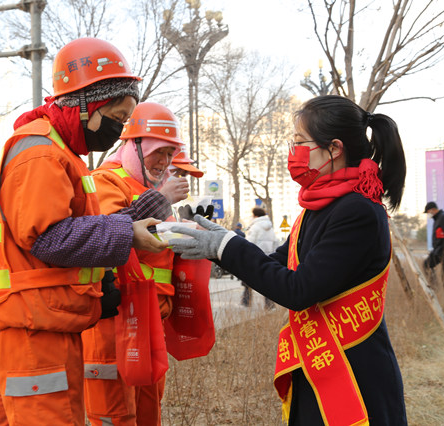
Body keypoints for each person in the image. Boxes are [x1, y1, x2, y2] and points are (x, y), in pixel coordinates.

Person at [169, 95, 408, 425]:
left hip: (352, 374)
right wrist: (218, 246)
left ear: (334, 148)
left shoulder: (357, 212)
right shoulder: (319, 208)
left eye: (299, 142)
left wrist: (225, 246)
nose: (292, 152)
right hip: (316, 366)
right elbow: (274, 264)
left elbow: (298, 290)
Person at [0, 38, 168, 425]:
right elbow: (50, 237)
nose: (119, 127)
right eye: (117, 114)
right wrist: (126, 232)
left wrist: (99, 291)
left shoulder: (59, 152)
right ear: (85, 104)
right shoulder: (41, 154)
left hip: (40, 321)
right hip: (32, 330)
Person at [82, 102, 189, 426]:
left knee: (147, 414)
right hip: (113, 327)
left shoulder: (146, 188)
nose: (165, 162)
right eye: (159, 151)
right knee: (115, 416)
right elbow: (107, 232)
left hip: (147, 324)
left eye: (170, 154)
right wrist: (163, 199)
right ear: (134, 145)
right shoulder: (106, 180)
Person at [241, 207, 277, 309]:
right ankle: (270, 305)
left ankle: (246, 302)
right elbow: (276, 243)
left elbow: (248, 243)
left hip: (255, 258)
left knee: (248, 281)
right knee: (267, 282)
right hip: (268, 258)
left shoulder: (255, 227)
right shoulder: (270, 228)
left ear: (255, 216)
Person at [423, 201, 444, 297]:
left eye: (428, 212)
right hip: (438, 250)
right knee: (427, 264)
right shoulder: (438, 219)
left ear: (432, 210)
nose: (428, 215)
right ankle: (435, 288)